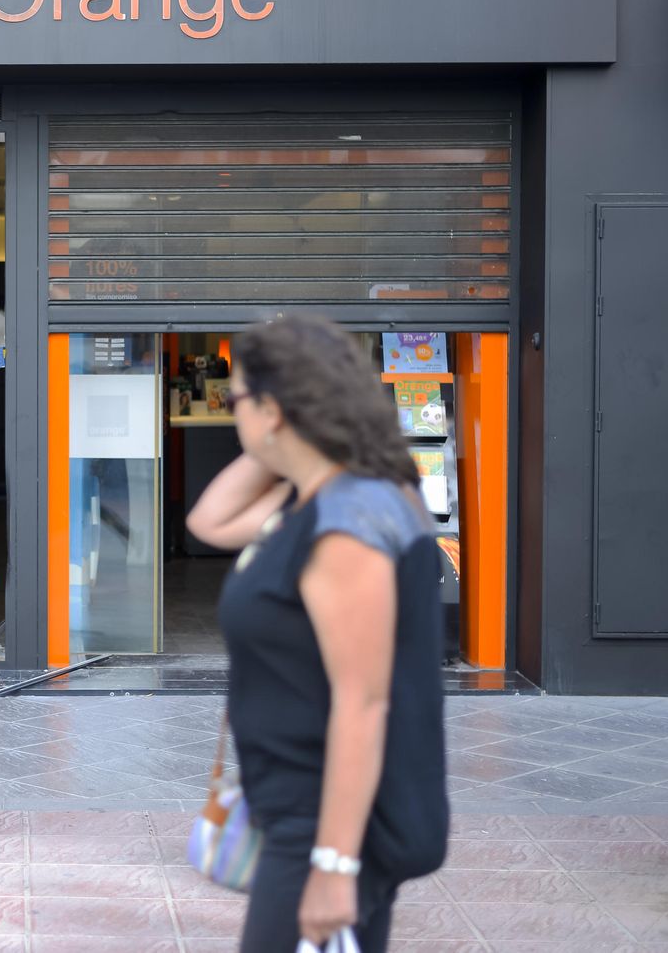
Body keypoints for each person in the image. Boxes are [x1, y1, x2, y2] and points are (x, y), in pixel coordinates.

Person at [186, 316, 448, 953]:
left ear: (272, 408)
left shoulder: (348, 523)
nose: (228, 410)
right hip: (298, 812)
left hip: (323, 827)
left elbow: (365, 701)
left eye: (237, 398)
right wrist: (285, 439)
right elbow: (210, 521)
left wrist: (334, 866)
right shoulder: (328, 497)